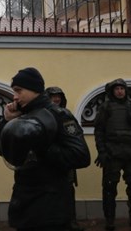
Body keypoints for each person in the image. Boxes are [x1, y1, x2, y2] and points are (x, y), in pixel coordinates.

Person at [0, 67, 91, 231]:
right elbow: (3, 150)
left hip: (51, 207)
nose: (15, 96)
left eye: (19, 90)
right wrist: (8, 122)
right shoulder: (22, 114)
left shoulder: (58, 115)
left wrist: (41, 146)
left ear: (34, 90)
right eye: (14, 91)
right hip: (25, 202)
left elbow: (81, 156)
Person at [93, 78, 131, 231]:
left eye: (122, 88)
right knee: (109, 187)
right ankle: (110, 220)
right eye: (116, 88)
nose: (120, 91)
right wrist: (102, 152)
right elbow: (99, 132)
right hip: (112, 154)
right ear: (112, 91)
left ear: (126, 90)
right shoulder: (106, 107)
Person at [46, 86, 84, 231]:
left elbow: (75, 133)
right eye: (52, 97)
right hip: (48, 159)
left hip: (65, 158)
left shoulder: (66, 114)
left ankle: (71, 221)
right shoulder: (41, 114)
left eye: (58, 97)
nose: (56, 99)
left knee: (68, 190)